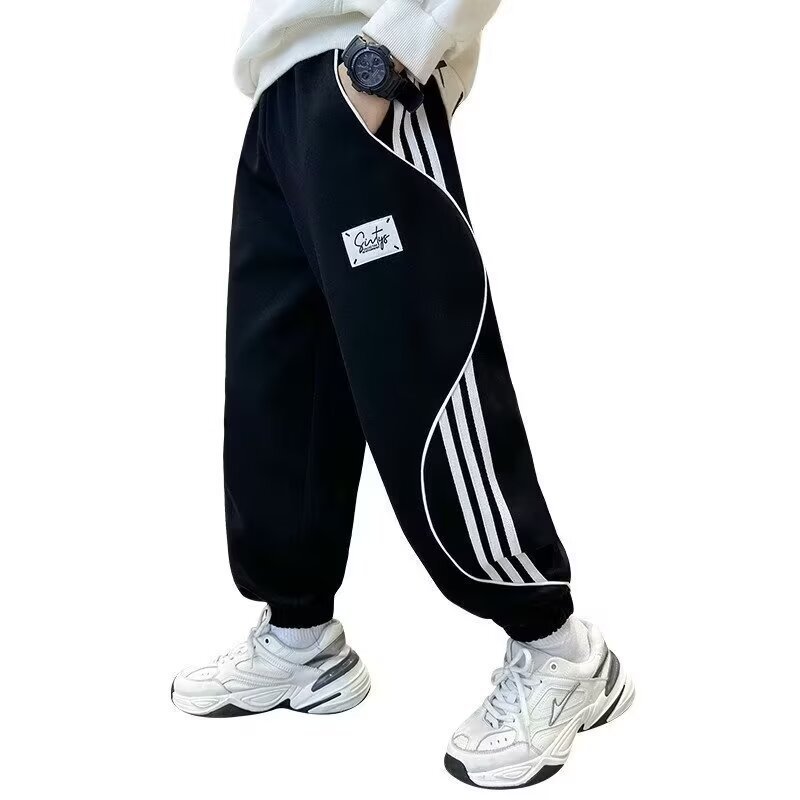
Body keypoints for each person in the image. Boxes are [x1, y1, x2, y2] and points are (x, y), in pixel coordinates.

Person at [171, 1, 633, 788]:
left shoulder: (377, 68)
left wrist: (392, 54)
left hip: (369, 77)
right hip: (279, 97)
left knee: (423, 377)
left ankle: (561, 650)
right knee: (280, 386)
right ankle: (300, 638)